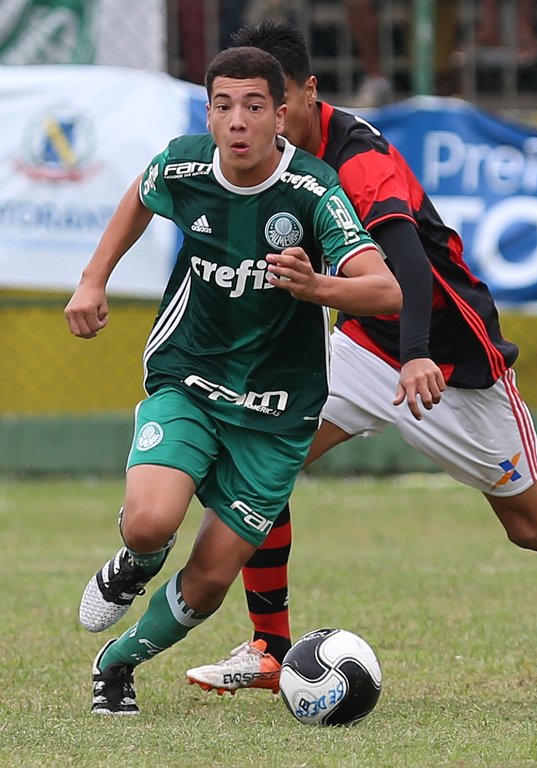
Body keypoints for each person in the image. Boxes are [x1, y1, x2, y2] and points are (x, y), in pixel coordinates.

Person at [184, 19, 537, 704]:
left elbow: (409, 267)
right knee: (261, 462)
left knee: (531, 524)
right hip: (363, 348)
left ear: (307, 93)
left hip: (451, 362)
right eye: (248, 106)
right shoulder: (272, 162)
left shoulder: (361, 160)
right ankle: (271, 647)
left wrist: (413, 356)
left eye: (274, 103)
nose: (262, 120)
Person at [66, 44, 402, 715]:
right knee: (149, 522)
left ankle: (117, 663)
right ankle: (135, 560)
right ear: (210, 114)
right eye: (223, 106)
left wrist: (317, 286)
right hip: (190, 378)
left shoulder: (312, 190)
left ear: (281, 115)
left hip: (279, 414)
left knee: (213, 579)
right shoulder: (186, 164)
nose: (237, 121)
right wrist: (92, 279)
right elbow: (142, 190)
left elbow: (387, 292)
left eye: (253, 107)